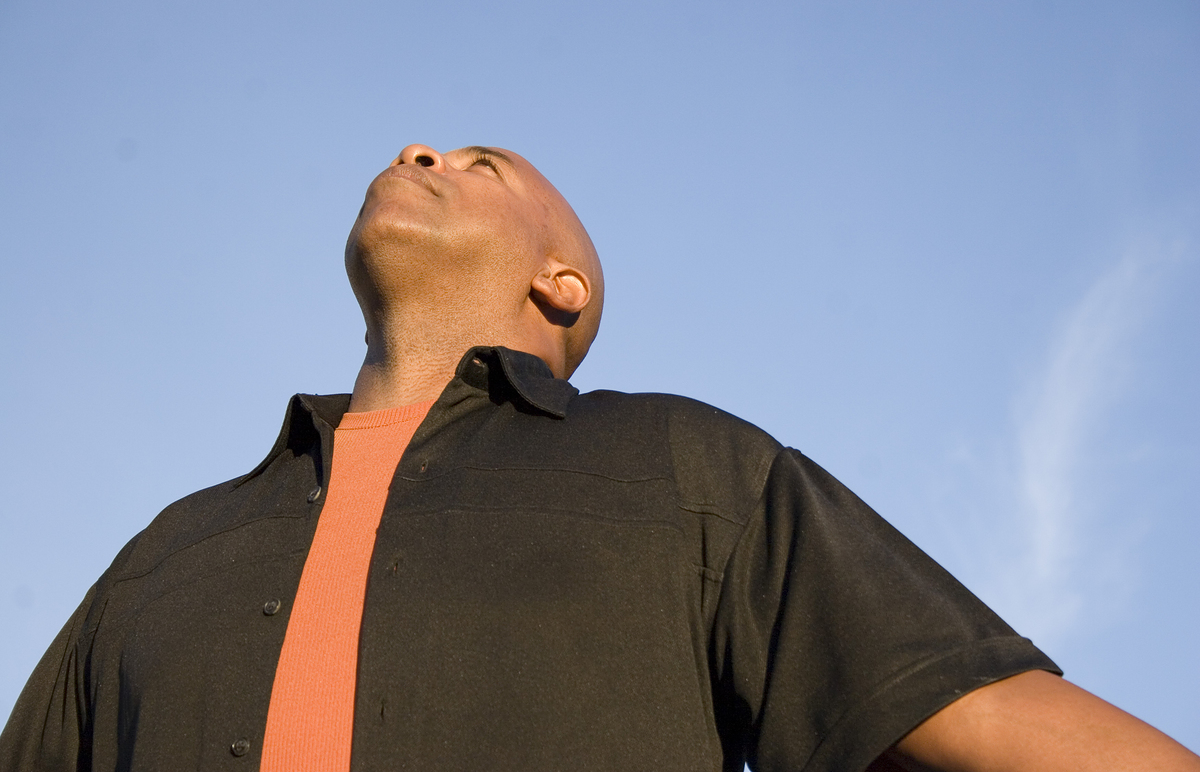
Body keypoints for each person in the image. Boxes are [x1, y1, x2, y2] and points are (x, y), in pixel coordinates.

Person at [2, 143, 1197, 772]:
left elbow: (989, 720)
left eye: (483, 164)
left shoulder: (687, 468)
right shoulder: (165, 553)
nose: (420, 147)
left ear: (559, 281)